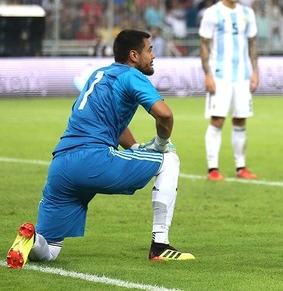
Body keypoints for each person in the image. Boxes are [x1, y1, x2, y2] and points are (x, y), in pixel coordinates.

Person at [6, 29, 194, 269]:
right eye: (150, 49)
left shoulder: (98, 75)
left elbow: (105, 120)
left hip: (61, 165)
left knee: (50, 249)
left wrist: (135, 147)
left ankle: (30, 240)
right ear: (134, 55)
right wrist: (160, 145)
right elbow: (165, 114)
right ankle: (161, 245)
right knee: (169, 160)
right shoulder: (131, 75)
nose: (154, 55)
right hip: (93, 159)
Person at [199, 0, 259, 181]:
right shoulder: (212, 13)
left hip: (242, 75)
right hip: (219, 75)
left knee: (241, 120)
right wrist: (207, 75)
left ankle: (240, 167)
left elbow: (252, 44)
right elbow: (204, 46)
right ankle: (212, 169)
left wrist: (255, 72)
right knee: (217, 120)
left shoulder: (247, 13)